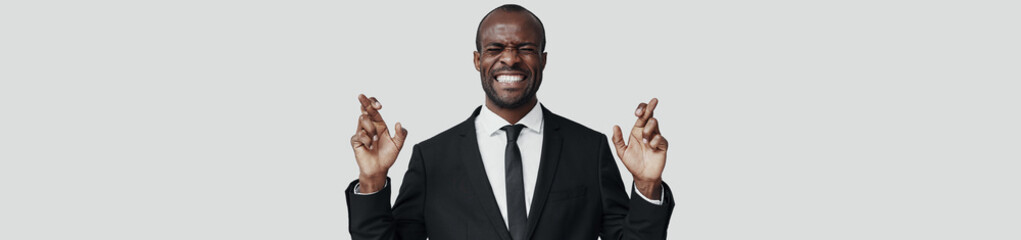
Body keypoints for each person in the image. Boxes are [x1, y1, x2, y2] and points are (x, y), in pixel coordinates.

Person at [346, 4, 674, 240]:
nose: (510, 58)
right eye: (495, 48)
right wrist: (372, 181)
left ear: (543, 60)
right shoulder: (432, 158)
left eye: (526, 48)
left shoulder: (589, 149)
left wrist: (646, 187)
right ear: (478, 60)